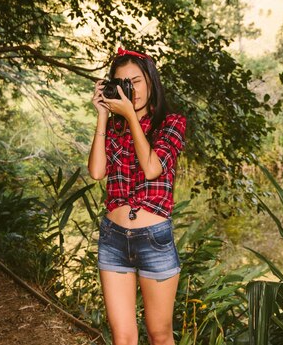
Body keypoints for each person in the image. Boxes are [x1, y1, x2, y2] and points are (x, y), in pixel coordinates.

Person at [88, 47, 186, 345]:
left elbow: (152, 167)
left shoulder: (172, 123)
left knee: (159, 335)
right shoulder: (115, 127)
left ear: (150, 82)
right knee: (124, 337)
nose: (132, 88)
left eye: (137, 80)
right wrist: (103, 116)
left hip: (153, 238)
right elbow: (96, 171)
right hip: (113, 238)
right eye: (123, 82)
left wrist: (131, 115)